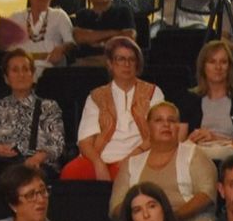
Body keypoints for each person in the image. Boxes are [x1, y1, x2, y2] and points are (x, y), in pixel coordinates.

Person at [60, 36, 165, 182]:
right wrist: (98, 164)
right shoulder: (97, 96)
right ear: (110, 63)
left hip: (139, 156)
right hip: (101, 157)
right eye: (121, 59)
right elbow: (85, 141)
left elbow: (158, 133)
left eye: (131, 59)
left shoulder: (153, 92)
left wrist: (129, 159)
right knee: (70, 172)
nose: (127, 64)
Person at [114, 101, 219, 221]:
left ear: (178, 127)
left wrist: (172, 218)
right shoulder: (131, 164)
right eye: (158, 120)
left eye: (172, 120)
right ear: (148, 128)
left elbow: (207, 194)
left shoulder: (195, 155)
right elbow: (116, 206)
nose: (166, 125)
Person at [0, 49, 65, 179]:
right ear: (6, 78)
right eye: (15, 70)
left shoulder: (49, 106)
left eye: (25, 69)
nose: (21, 74)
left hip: (38, 168)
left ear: (33, 75)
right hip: (5, 169)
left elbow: (57, 144)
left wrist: (38, 158)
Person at [180, 39, 233, 162]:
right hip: (196, 159)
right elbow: (179, 141)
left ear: (229, 67)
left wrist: (214, 138)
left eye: (223, 62)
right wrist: (192, 138)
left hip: (231, 161)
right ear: (203, 66)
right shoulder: (189, 99)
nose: (218, 67)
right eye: (212, 62)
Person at [0, 0, 76, 76]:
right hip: (19, 69)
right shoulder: (17, 16)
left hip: (49, 69)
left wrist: (62, 48)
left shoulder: (59, 15)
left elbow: (71, 43)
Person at [71, 0, 138, 64]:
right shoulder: (82, 14)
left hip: (115, 60)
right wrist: (115, 33)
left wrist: (93, 38)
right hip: (86, 60)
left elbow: (129, 37)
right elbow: (79, 37)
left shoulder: (123, 11)